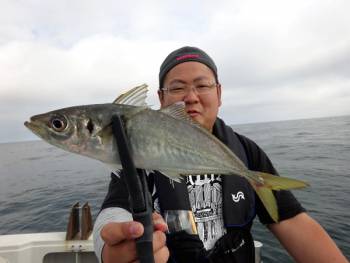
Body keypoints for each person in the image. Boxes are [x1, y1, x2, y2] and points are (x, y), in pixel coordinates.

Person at [93, 46, 348, 263]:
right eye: (177, 88)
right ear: (161, 98)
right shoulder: (137, 153)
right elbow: (114, 212)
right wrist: (110, 249)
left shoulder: (245, 150)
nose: (190, 98)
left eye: (202, 85)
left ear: (219, 94)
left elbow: (292, 221)